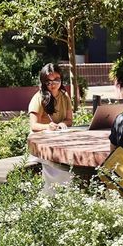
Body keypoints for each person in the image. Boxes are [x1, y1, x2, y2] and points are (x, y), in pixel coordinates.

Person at [29, 63, 73, 192]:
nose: (53, 84)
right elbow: (33, 125)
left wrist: (62, 124)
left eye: (57, 80)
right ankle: (51, 195)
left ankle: (67, 193)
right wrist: (47, 127)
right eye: (48, 81)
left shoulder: (65, 96)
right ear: (43, 82)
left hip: (59, 139)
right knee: (56, 167)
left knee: (69, 163)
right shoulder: (38, 98)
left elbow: (69, 120)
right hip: (41, 142)